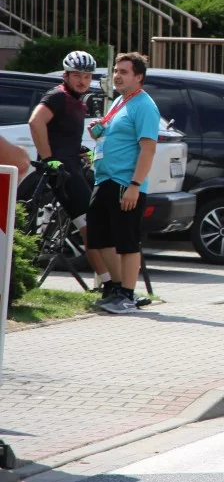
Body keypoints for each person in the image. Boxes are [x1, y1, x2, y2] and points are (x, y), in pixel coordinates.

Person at [29, 51, 122, 307]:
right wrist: (49, 160)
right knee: (91, 228)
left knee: (93, 226)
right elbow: (35, 122)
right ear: (65, 75)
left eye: (87, 76)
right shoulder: (58, 96)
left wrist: (80, 151)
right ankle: (109, 285)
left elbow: (63, 134)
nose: (82, 81)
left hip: (73, 167)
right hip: (62, 172)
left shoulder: (77, 100)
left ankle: (110, 284)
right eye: (77, 75)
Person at [84, 52, 160, 314]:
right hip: (104, 179)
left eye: (124, 72)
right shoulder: (119, 101)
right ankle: (117, 288)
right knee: (98, 238)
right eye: (116, 70)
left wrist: (135, 185)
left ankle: (127, 295)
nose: (117, 75)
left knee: (127, 242)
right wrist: (99, 131)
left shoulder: (145, 105)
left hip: (124, 183)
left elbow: (148, 148)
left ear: (138, 77)